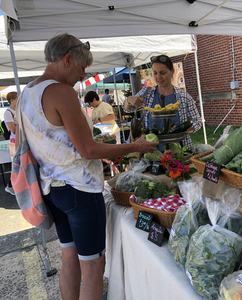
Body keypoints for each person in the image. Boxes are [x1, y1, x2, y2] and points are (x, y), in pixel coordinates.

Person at [17, 33, 157, 300]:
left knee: (69, 256)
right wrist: (134, 147)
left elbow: (54, 142)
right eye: (82, 69)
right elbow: (88, 149)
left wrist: (105, 151)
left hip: (51, 189)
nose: (82, 76)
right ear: (67, 59)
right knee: (93, 265)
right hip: (79, 189)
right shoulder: (60, 91)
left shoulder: (28, 93)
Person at [123, 54, 202, 150]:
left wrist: (187, 129)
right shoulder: (146, 93)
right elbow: (127, 109)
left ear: (172, 71)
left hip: (181, 150)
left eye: (162, 72)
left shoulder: (184, 97)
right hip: (153, 149)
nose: (158, 77)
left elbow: (197, 121)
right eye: (155, 73)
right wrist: (129, 100)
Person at [3, 91, 17, 195]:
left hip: (19, 140)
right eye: (17, 99)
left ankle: (15, 186)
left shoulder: (17, 111)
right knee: (15, 166)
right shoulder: (8, 112)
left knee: (20, 165)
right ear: (12, 100)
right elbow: (13, 129)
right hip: (14, 142)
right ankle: (10, 186)